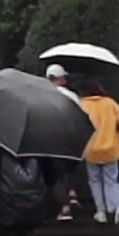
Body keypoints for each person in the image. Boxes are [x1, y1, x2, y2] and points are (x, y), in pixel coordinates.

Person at [78, 80, 119, 224]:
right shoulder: (110, 103)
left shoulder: (82, 105)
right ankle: (118, 208)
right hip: (111, 148)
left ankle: (101, 212)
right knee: (112, 180)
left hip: (90, 149)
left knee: (95, 180)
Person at [45, 65, 84, 220]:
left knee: (55, 174)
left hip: (51, 140)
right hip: (71, 139)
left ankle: (65, 207)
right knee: (69, 169)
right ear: (59, 78)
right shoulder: (73, 96)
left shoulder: (43, 95)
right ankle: (72, 193)